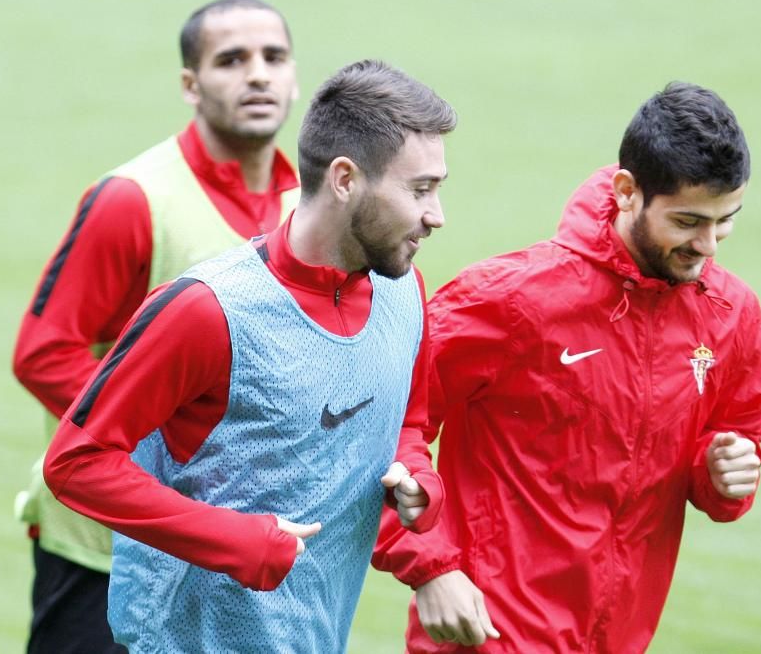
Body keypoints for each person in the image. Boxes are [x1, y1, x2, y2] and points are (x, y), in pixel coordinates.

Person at [42, 59, 457, 652]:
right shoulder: (206, 310)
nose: (436, 215)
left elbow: (407, 425)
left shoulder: (404, 293)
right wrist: (232, 540)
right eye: (420, 190)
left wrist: (419, 479)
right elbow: (76, 463)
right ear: (345, 179)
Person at [373, 81, 761, 653]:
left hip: (621, 638)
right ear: (627, 191)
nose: (709, 245)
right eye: (687, 222)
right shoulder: (512, 299)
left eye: (725, 220)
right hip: (489, 634)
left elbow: (733, 451)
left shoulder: (732, 315)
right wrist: (430, 566)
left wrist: (724, 472)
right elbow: (382, 419)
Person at [11, 0, 300, 652]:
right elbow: (44, 354)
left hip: (232, 549)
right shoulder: (133, 199)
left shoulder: (301, 209)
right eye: (232, 60)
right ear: (190, 86)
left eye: (273, 57)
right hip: (106, 554)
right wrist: (163, 464)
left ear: (295, 76)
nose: (257, 74)